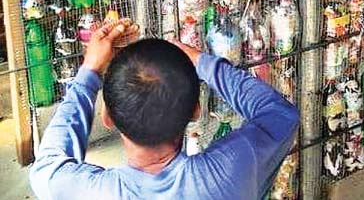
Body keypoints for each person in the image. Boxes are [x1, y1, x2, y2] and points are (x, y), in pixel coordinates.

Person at [29, 19, 299, 199]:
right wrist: (201, 62)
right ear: (196, 111)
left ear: (107, 117)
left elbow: (46, 167)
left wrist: (89, 73)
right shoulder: (232, 169)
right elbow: (279, 114)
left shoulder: (98, 192)